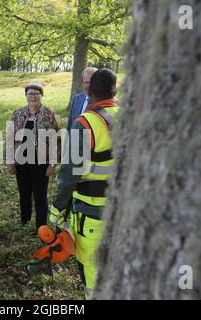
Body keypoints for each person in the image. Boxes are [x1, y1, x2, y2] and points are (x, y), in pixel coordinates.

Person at [49, 68, 119, 299]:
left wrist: (57, 210)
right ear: (114, 88)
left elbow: (70, 175)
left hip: (92, 214)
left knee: (92, 276)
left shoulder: (86, 123)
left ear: (89, 90)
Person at [6, 83, 61, 232]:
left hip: (41, 161)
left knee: (40, 194)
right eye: (30, 93)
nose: (33, 96)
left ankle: (41, 226)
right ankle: (25, 220)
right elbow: (10, 137)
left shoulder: (50, 115)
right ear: (26, 96)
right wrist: (10, 161)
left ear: (42, 95)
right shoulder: (17, 114)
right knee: (24, 192)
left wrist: (53, 164)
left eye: (37, 93)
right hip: (21, 160)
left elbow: (56, 140)